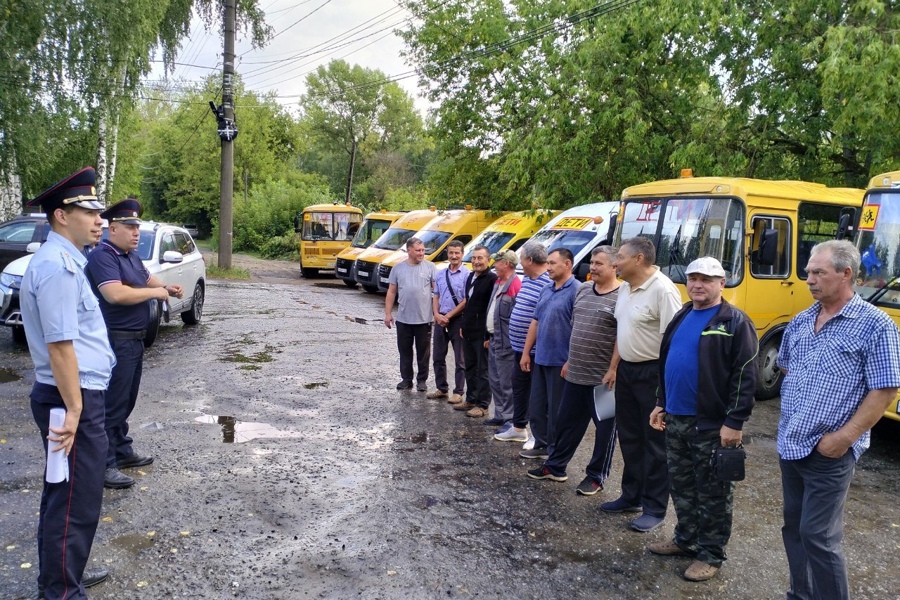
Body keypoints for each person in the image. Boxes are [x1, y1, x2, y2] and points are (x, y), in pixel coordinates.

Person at [776, 240, 900, 600]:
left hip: (830, 451)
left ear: (846, 274)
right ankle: (801, 594)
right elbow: (786, 367)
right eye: (809, 272)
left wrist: (845, 437)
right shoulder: (801, 320)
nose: (809, 280)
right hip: (791, 443)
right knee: (794, 530)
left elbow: (885, 390)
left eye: (818, 273)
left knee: (819, 535)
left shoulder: (875, 325)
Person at [20, 167, 116, 598]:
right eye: (89, 211)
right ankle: (61, 590)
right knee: (74, 502)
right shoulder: (58, 267)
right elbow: (61, 347)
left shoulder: (65, 261)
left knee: (66, 494)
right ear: (62, 215)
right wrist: (76, 410)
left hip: (73, 394)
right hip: (70, 397)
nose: (100, 220)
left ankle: (62, 578)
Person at [648, 257, 758, 582]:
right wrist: (660, 402)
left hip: (711, 424)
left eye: (706, 279)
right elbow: (667, 362)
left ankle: (711, 554)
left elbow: (746, 375)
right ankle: (685, 539)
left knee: (713, 493)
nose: (698, 284)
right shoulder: (683, 314)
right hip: (676, 418)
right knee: (682, 486)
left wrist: (735, 422)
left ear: (721, 284)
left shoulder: (734, 322)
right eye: (693, 278)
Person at [85, 199, 183, 490]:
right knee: (112, 405)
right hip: (116, 340)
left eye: (137, 227)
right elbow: (115, 295)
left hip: (135, 341)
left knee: (126, 401)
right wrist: (155, 293)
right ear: (112, 228)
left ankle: (122, 451)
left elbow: (149, 280)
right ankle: (103, 465)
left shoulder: (130, 256)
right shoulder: (103, 256)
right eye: (129, 227)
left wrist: (167, 288)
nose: (135, 232)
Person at [601, 237, 682, 532]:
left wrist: (665, 390)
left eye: (619, 258)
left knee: (655, 443)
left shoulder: (663, 290)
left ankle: (655, 508)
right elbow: (625, 332)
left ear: (638, 259)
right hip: (627, 373)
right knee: (631, 437)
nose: (614, 263)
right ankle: (631, 496)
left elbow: (674, 342)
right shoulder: (625, 288)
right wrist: (614, 368)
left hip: (653, 374)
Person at [527, 246, 619, 496]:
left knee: (605, 431)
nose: (593, 267)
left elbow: (623, 336)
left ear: (614, 267)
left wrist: (613, 368)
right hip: (576, 372)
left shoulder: (622, 295)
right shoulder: (585, 290)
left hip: (603, 379)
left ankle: (596, 477)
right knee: (566, 423)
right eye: (592, 262)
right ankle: (555, 467)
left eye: (599, 263)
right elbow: (576, 327)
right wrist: (570, 360)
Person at [519, 248, 578, 459]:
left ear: (568, 264)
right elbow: (535, 321)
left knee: (556, 411)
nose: (549, 268)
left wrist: (571, 359)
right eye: (548, 263)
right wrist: (526, 352)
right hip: (541, 357)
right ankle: (542, 443)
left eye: (553, 263)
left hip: (560, 361)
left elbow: (579, 328)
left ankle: (555, 451)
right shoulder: (546, 289)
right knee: (536, 406)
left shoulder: (577, 291)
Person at [494, 242, 550, 443]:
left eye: (522, 258)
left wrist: (528, 350)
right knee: (519, 388)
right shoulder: (527, 279)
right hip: (519, 348)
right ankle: (518, 428)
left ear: (530, 260)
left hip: (535, 351)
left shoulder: (547, 283)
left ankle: (539, 437)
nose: (519, 262)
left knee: (537, 396)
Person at [384, 237, 437, 392]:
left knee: (423, 353)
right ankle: (406, 379)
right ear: (409, 250)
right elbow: (391, 292)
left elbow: (437, 292)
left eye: (423, 250)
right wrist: (388, 314)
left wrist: (438, 313)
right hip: (403, 319)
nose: (422, 253)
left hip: (424, 319)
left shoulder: (430, 267)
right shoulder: (398, 269)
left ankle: (422, 380)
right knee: (405, 351)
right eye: (418, 250)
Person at [455, 245, 497, 417]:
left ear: (488, 260)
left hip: (482, 332)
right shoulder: (471, 276)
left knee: (483, 369)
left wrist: (489, 334)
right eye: (474, 258)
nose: (476, 261)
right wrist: (463, 326)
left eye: (480, 258)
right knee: (470, 367)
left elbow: (490, 308)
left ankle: (483, 405)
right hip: (469, 330)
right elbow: (469, 303)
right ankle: (471, 399)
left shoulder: (491, 279)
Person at [485, 250, 522, 426]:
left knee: (506, 383)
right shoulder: (498, 282)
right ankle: (500, 415)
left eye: (497, 262)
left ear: (506, 263)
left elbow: (518, 318)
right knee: (495, 380)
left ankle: (509, 419)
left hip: (506, 343)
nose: (494, 265)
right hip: (493, 339)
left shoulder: (515, 285)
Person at [428, 240, 469, 403]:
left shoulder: (467, 275)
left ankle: (458, 392)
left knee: (460, 358)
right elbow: (436, 295)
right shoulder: (440, 274)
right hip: (440, 318)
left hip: (458, 319)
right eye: (451, 253)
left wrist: (449, 316)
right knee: (438, 355)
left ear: (462, 254)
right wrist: (436, 314)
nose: (453, 256)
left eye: (457, 253)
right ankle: (441, 388)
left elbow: (466, 300)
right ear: (447, 253)